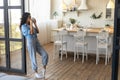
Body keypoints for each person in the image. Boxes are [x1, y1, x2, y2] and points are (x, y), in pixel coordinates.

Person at [20, 12, 48, 78]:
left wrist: (35, 23)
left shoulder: (31, 25)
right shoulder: (23, 26)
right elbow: (31, 32)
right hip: (30, 42)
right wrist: (31, 24)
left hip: (36, 41)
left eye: (30, 17)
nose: (30, 18)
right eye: (29, 17)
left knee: (45, 54)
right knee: (33, 58)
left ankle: (44, 69)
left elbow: (38, 31)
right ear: (25, 18)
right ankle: (36, 73)